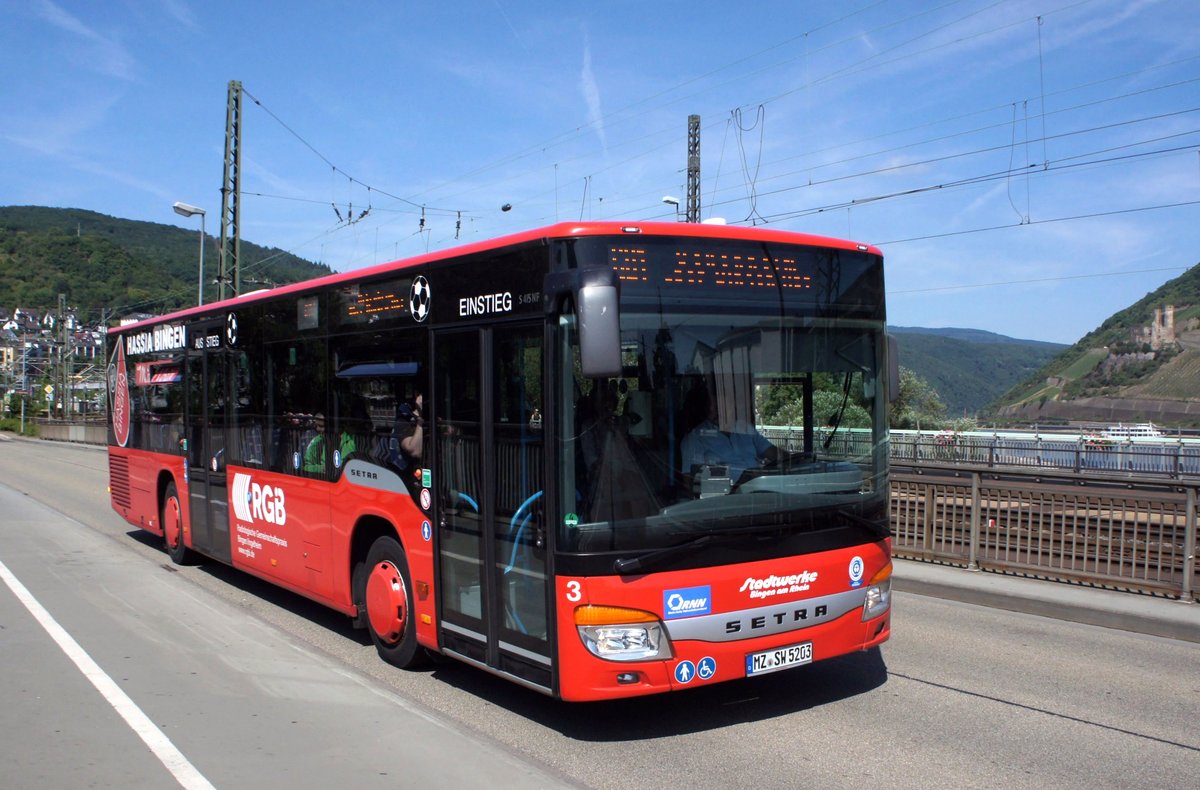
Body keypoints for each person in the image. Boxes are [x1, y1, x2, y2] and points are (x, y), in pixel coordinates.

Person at [680, 387, 777, 484]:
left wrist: (790, 461)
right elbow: (690, 482)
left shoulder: (745, 428)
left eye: (721, 405)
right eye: (711, 405)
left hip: (759, 489)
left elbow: (774, 453)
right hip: (726, 496)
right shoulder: (695, 438)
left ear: (733, 405)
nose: (715, 410)